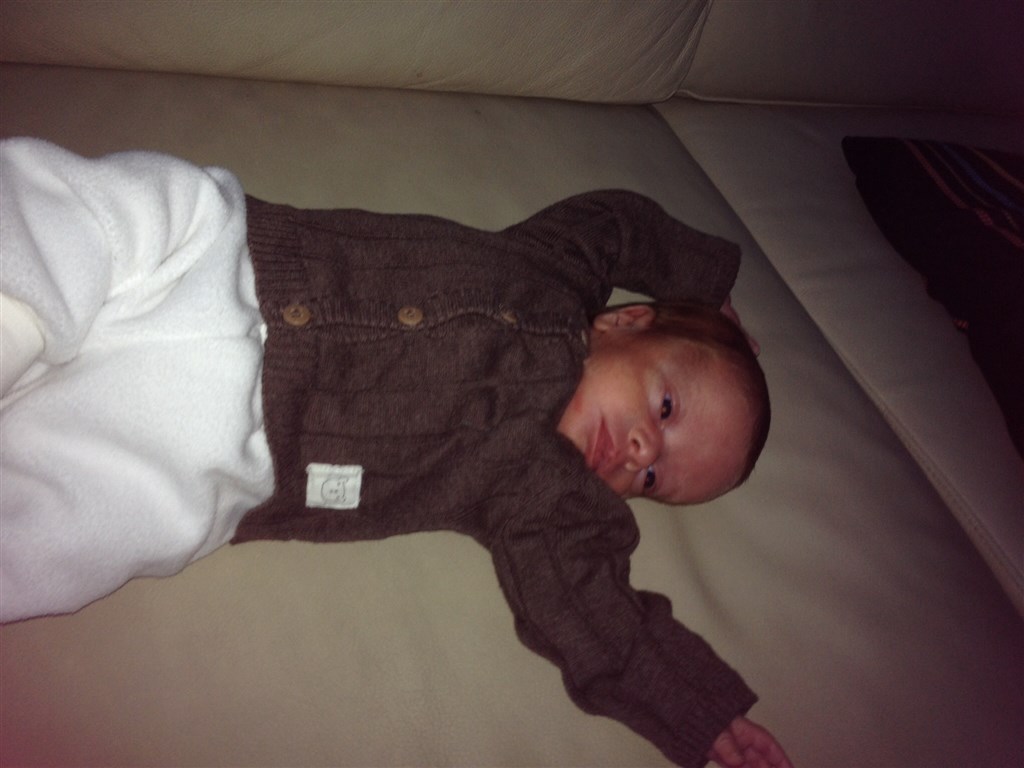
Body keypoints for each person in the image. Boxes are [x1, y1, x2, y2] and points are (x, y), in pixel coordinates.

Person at [0, 138, 790, 767]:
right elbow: (620, 223)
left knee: (98, 524)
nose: (641, 452)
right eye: (665, 407)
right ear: (627, 322)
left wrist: (700, 712)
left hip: (225, 441)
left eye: (651, 479)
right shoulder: (558, 268)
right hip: (225, 262)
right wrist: (705, 283)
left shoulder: (543, 494)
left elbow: (596, 612)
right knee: (117, 209)